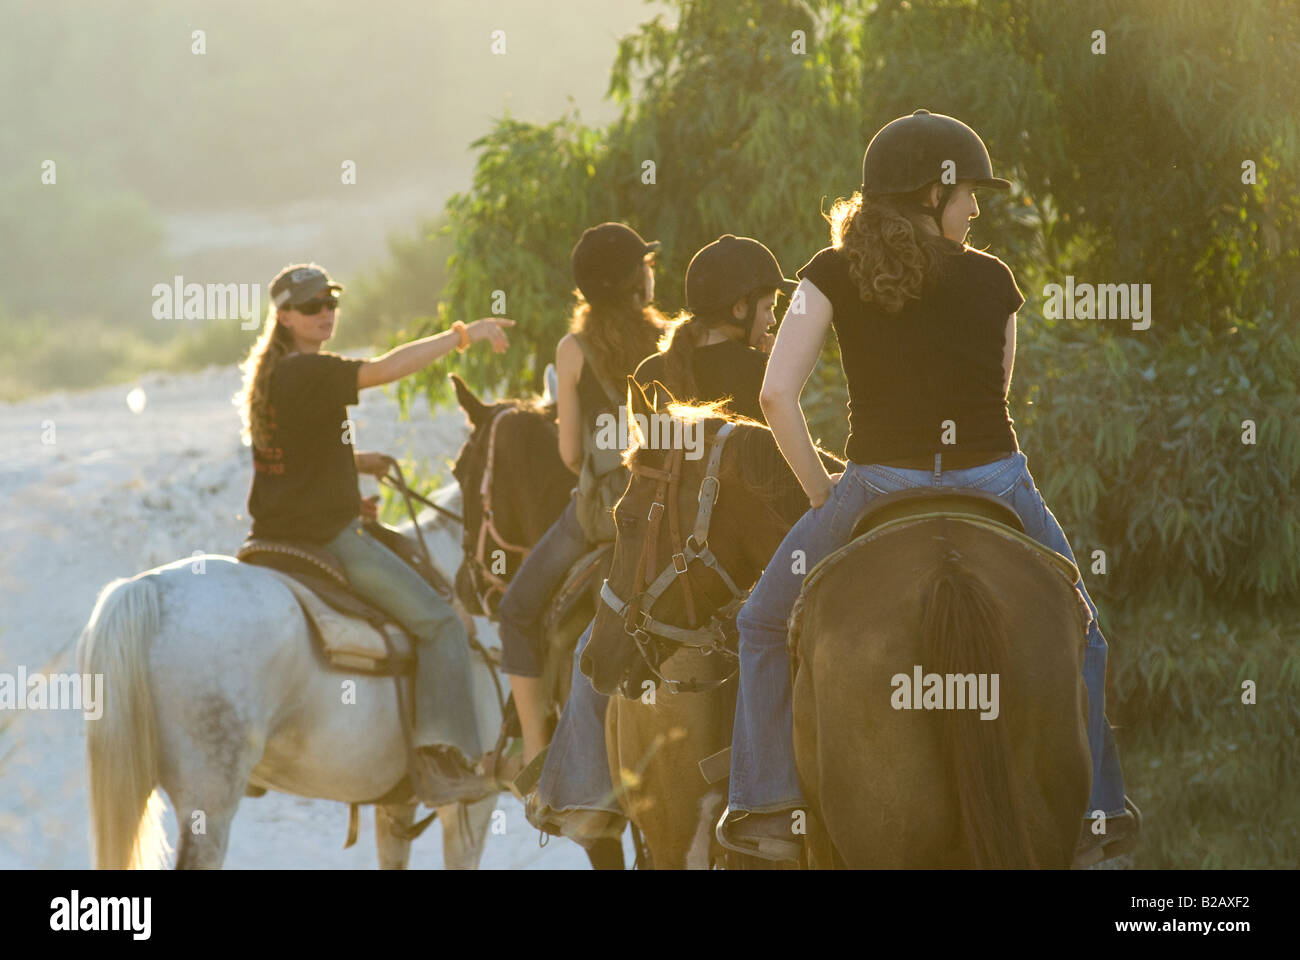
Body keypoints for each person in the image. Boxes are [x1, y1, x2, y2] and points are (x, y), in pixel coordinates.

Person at [715, 109, 1138, 863]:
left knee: (759, 624)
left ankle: (766, 803)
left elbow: (777, 395)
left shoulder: (826, 273)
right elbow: (998, 392)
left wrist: (821, 492)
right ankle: (1098, 809)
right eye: (967, 193)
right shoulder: (994, 280)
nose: (976, 208)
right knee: (1084, 629)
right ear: (927, 194)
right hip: (997, 480)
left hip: (877, 483)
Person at [527, 235, 794, 846]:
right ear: (738, 310)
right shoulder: (770, 373)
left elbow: (640, 486)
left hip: (665, 559)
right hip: (751, 573)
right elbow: (788, 486)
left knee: (595, 653)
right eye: (768, 305)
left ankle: (578, 798)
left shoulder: (652, 373)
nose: (773, 318)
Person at [236, 262, 513, 807]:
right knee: (439, 623)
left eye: (331, 303)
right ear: (285, 316)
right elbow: (386, 369)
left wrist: (353, 465)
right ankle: (441, 757)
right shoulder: (309, 372)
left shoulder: (273, 373)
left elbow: (289, 456)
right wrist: (463, 335)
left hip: (271, 536)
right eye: (312, 307)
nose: (325, 314)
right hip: (324, 540)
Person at [495, 224, 667, 786]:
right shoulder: (670, 338)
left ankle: (539, 756)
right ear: (633, 280)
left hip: (600, 518)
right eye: (646, 263)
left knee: (517, 608)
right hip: (668, 507)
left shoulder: (572, 350)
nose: (652, 271)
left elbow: (571, 454)